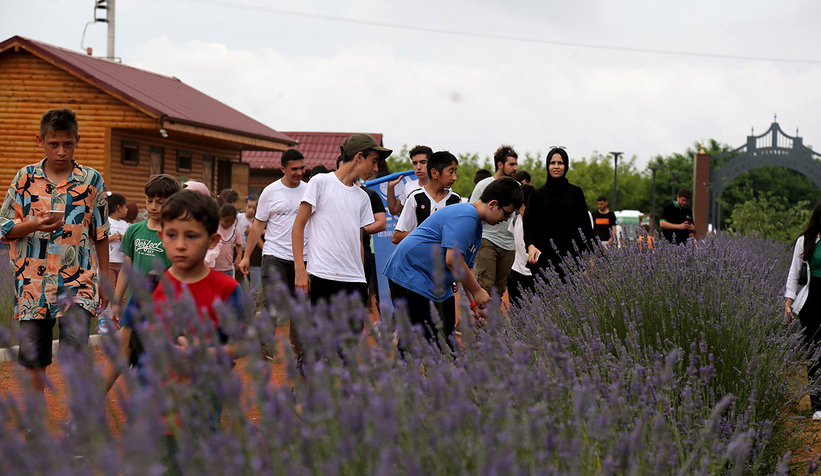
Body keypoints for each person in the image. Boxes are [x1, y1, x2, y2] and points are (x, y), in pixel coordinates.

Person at [103, 190, 247, 464]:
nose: (180, 245)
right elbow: (124, 346)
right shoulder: (149, 285)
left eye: (191, 236)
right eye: (172, 235)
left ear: (212, 240)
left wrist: (208, 352)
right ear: (161, 237)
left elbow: (243, 343)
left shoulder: (227, 289)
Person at [0, 107, 109, 414]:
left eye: (68, 144)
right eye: (54, 144)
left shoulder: (91, 180)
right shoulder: (25, 178)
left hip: (78, 281)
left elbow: (101, 232)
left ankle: (77, 421)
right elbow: (4, 226)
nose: (61, 152)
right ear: (41, 141)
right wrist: (33, 224)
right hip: (32, 283)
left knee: (75, 353)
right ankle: (36, 423)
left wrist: (106, 280)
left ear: (77, 141)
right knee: (34, 359)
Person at [384, 177, 523, 350]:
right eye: (507, 213)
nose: (506, 219)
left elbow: (467, 268)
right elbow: (454, 260)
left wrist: (475, 304)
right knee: (417, 339)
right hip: (411, 274)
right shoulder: (466, 216)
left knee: (446, 336)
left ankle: (445, 364)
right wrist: (478, 291)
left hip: (433, 279)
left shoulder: (476, 225)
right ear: (493, 204)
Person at [292, 133, 390, 315]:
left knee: (352, 334)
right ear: (359, 157)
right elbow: (298, 226)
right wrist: (300, 269)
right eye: (374, 161)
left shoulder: (363, 197)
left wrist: (362, 278)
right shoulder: (320, 182)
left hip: (355, 281)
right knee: (324, 334)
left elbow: (358, 240)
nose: (376, 168)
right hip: (322, 276)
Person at [239, 149, 307, 361]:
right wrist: (246, 256)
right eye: (294, 169)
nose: (299, 173)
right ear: (282, 169)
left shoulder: (309, 190)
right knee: (272, 301)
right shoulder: (270, 192)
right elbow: (258, 225)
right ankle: (265, 344)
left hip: (303, 257)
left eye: (302, 168)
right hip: (274, 254)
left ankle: (299, 344)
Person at [113, 174, 180, 324]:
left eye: (160, 202)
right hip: (136, 305)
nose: (153, 207)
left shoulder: (176, 234)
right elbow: (126, 269)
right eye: (149, 201)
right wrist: (116, 302)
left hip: (166, 308)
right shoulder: (133, 230)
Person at [524, 147, 595, 282]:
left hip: (572, 258)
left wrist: (590, 254)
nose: (556, 166)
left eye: (560, 163)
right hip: (544, 259)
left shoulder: (576, 193)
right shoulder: (537, 195)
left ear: (566, 166)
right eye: (552, 163)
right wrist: (530, 245)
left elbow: (585, 225)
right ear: (547, 165)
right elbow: (528, 224)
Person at [785, 201, 821, 420]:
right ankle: (817, 405)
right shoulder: (805, 240)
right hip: (811, 301)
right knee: (813, 352)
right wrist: (788, 303)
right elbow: (793, 273)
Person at [469, 145, 519, 295]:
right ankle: (480, 311)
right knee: (486, 285)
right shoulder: (484, 185)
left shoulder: (517, 186)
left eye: (516, 164)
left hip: (509, 243)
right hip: (487, 239)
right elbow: (472, 211)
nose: (515, 168)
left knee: (499, 290)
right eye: (512, 164)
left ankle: (494, 312)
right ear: (500, 164)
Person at [392, 150, 461, 244]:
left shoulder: (455, 200)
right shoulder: (415, 197)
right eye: (451, 172)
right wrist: (424, 233)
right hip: (420, 253)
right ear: (434, 173)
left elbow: (459, 234)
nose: (455, 178)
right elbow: (396, 237)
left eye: (455, 172)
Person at [507, 184, 536, 306]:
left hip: (535, 274)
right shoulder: (515, 221)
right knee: (517, 309)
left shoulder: (540, 224)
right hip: (517, 272)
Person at [387, 145, 432, 216]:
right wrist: (390, 187)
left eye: (423, 162)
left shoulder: (442, 187)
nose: (418, 167)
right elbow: (393, 210)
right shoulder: (409, 187)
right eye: (415, 163)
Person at [236, 194, 262, 314]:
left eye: (254, 208)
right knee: (241, 285)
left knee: (254, 289)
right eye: (249, 207)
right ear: (245, 206)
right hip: (240, 252)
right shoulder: (239, 218)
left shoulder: (258, 221)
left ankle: (250, 314)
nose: (251, 210)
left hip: (254, 256)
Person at [210, 204, 242, 278]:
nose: (229, 224)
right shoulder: (214, 228)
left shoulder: (235, 229)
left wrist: (239, 256)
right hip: (214, 268)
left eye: (232, 221)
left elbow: (239, 245)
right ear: (221, 217)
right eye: (226, 221)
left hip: (228, 269)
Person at [107, 192, 129, 291]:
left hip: (122, 262)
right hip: (109, 261)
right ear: (119, 207)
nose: (127, 209)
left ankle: (120, 302)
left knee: (120, 289)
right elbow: (97, 240)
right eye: (125, 206)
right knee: (110, 289)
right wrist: (110, 238)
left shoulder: (125, 225)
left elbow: (129, 241)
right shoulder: (106, 222)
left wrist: (124, 239)